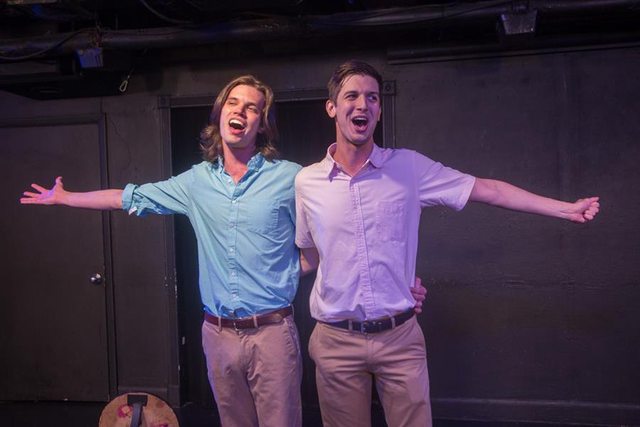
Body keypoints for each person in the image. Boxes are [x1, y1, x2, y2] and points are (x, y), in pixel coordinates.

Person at [20, 74, 427, 427]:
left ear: (262, 124)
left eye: (252, 108)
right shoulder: (195, 183)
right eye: (234, 103)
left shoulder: (291, 178)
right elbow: (129, 197)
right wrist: (66, 197)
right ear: (220, 114)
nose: (241, 112)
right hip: (216, 335)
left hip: (272, 333)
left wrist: (398, 282)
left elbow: (337, 237)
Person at [294, 60, 600, 427]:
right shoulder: (307, 182)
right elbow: (313, 256)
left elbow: (489, 190)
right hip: (336, 341)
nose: (363, 104)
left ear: (379, 109)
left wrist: (565, 209)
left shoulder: (408, 168)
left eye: (372, 97)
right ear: (332, 107)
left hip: (400, 338)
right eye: (352, 96)